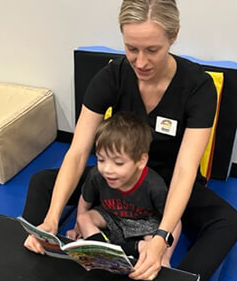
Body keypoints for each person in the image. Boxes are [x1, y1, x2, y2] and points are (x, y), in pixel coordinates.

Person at [23, 0, 237, 281]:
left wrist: (162, 236)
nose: (141, 62)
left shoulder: (198, 87)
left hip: (166, 187)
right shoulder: (111, 76)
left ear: (173, 35)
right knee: (43, 182)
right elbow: (77, 152)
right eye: (132, 49)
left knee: (229, 223)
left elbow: (186, 169)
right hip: (118, 178)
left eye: (152, 50)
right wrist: (51, 219)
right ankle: (39, 245)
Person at [67, 111, 181, 267]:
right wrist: (77, 227)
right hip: (111, 217)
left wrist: (165, 257)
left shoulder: (154, 185)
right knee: (83, 218)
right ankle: (102, 253)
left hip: (144, 224)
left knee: (151, 242)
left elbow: (175, 221)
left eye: (118, 163)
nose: (107, 169)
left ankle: (133, 248)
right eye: (101, 159)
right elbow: (85, 200)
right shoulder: (96, 175)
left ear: (141, 161)